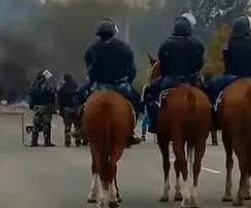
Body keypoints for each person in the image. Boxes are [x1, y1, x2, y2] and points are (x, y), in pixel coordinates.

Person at [78, 18, 145, 146]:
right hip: (119, 84)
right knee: (136, 101)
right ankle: (131, 131)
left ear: (99, 33)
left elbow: (89, 68)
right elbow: (132, 69)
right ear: (113, 32)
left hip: (98, 85)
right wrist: (129, 80)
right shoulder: (124, 48)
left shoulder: (92, 49)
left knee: (79, 98)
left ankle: (80, 128)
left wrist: (92, 80)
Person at [143, 12, 206, 134]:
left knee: (149, 94)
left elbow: (162, 62)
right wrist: (195, 72)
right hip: (191, 79)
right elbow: (200, 62)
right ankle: (211, 122)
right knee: (209, 95)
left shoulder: (166, 44)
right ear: (189, 28)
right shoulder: (197, 43)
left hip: (170, 79)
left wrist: (166, 74)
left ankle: (154, 123)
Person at [205, 14, 251, 120]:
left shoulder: (227, 45)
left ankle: (213, 117)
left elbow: (226, 61)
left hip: (231, 77)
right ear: (247, 29)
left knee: (210, 89)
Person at [27, 69, 57, 147]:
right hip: (45, 106)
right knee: (46, 124)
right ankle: (47, 141)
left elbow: (30, 95)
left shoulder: (33, 85)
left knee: (36, 125)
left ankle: (34, 141)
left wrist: (31, 105)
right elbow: (53, 92)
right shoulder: (46, 85)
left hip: (36, 107)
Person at [57, 73, 84, 146]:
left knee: (67, 125)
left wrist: (60, 109)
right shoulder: (76, 87)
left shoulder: (62, 88)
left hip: (66, 108)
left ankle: (67, 141)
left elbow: (59, 99)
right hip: (75, 108)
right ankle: (78, 141)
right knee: (77, 125)